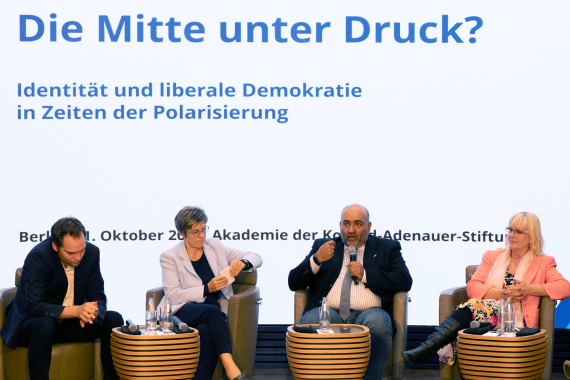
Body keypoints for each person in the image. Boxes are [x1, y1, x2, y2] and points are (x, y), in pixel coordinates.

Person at [403, 211, 570, 366]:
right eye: (510, 230)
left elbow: (564, 288)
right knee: (473, 305)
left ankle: (425, 350)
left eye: (519, 232)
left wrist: (528, 290)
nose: (512, 235)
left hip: (519, 320)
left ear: (532, 237)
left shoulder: (543, 262)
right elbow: (473, 288)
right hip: (486, 313)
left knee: (472, 307)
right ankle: (426, 349)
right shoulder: (492, 257)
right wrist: (505, 293)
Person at [288, 204, 413, 379]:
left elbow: (404, 280)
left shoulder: (387, 247)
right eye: (346, 224)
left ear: (369, 227)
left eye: (358, 224)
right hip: (328, 312)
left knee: (379, 322)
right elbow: (293, 282)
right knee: (309, 320)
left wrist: (365, 275)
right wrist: (316, 259)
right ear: (340, 226)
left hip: (370, 312)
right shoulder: (323, 246)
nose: (351, 230)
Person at [0, 217, 124, 380]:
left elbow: (98, 295)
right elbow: (34, 306)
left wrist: (93, 312)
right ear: (55, 246)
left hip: (69, 324)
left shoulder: (92, 253)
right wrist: (76, 311)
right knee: (45, 324)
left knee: (113, 319)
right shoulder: (39, 256)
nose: (79, 257)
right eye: (71, 253)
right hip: (33, 325)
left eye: (82, 250)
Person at [158, 206, 262, 380]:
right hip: (181, 310)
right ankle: (231, 368)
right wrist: (207, 289)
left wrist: (243, 262)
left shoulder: (214, 246)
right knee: (213, 311)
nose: (202, 236)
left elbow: (256, 256)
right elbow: (173, 295)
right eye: (195, 232)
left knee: (205, 331)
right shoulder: (169, 256)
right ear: (181, 233)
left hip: (210, 314)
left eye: (204, 229)